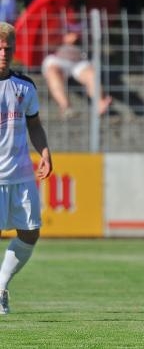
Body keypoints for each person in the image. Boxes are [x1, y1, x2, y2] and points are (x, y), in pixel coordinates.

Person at [0, 21, 53, 315]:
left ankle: (1, 286)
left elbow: (34, 125)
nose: (3, 53)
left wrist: (44, 152)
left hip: (20, 175)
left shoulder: (24, 86)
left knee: (30, 232)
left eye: (8, 48)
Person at [41, 24, 112, 119]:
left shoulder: (88, 24)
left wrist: (80, 38)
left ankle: (100, 103)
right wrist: (63, 40)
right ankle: (65, 106)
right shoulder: (55, 25)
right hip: (58, 59)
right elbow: (46, 45)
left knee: (92, 75)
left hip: (80, 61)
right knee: (52, 72)